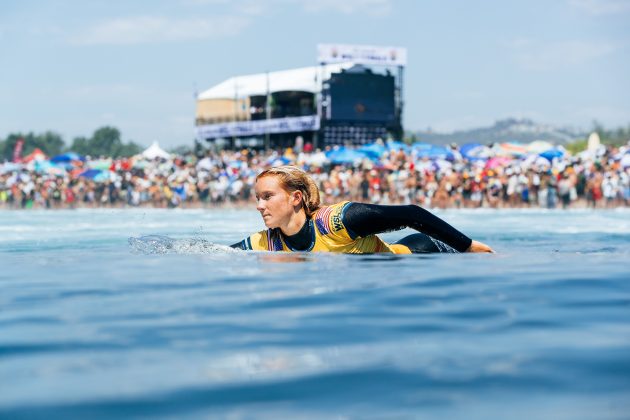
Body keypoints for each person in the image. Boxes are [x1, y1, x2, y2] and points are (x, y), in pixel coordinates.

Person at [231, 166, 493, 254]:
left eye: (267, 196)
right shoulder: (266, 242)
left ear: (296, 198)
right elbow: (216, 254)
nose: (259, 205)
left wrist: (467, 246)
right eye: (257, 197)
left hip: (422, 254)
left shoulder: (337, 222)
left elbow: (412, 213)